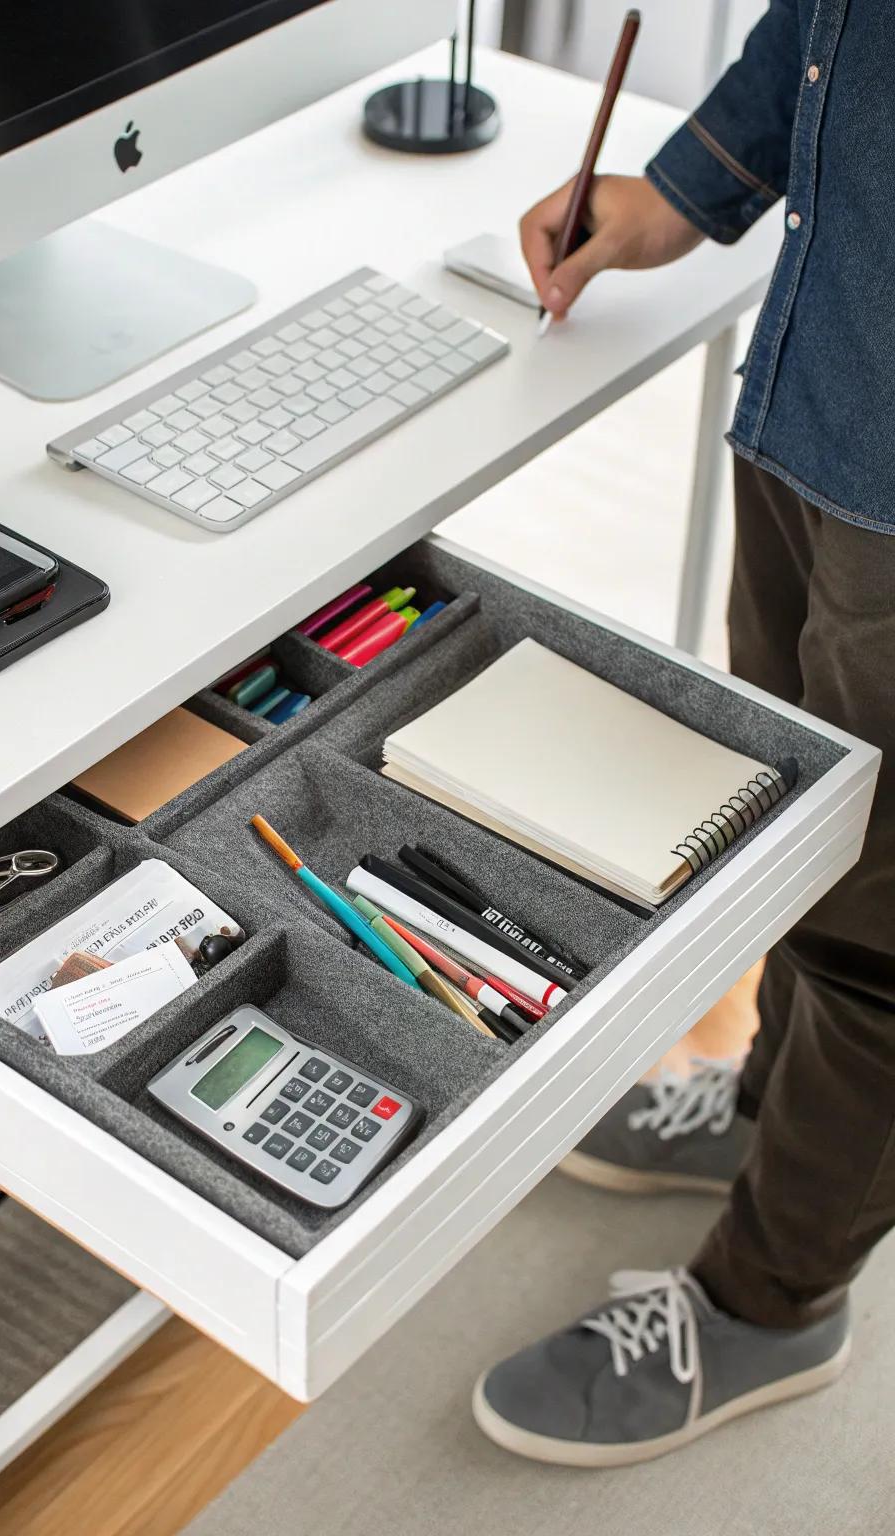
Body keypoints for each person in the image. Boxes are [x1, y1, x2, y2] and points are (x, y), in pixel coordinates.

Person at [474, 0, 895, 1467]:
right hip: (818, 402)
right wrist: (684, 193)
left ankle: (777, 1302)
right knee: (791, 846)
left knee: (886, 935)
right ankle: (774, 1108)